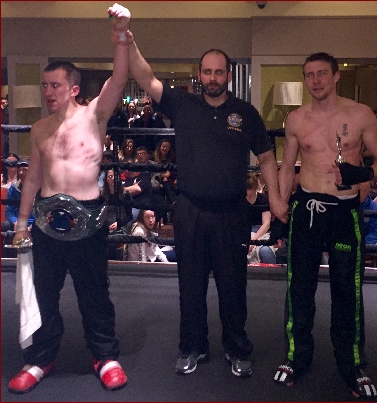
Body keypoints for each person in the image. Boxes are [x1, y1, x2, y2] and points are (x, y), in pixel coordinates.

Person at [121, 17, 288, 378]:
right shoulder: (182, 104)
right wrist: (127, 39)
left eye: (219, 72)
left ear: (229, 75)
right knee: (190, 286)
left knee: (234, 286)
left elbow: (267, 157)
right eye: (208, 72)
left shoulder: (245, 113)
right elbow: (146, 78)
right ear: (200, 74)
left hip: (231, 213)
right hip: (191, 210)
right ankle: (192, 347)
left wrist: (275, 199)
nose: (213, 78)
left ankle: (237, 348)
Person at [8, 3, 131, 394]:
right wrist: (22, 223)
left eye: (55, 86)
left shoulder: (94, 116)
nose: (48, 92)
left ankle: (105, 356)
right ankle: (40, 359)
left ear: (73, 88)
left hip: (89, 218)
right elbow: (32, 177)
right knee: (44, 293)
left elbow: (120, 77)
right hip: (46, 221)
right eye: (45, 86)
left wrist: (121, 36)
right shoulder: (40, 128)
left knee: (94, 293)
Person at [274, 52, 377, 398]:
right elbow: (288, 165)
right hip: (307, 210)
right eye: (309, 75)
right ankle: (296, 357)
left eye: (322, 73)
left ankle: (352, 364)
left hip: (344, 212)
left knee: (347, 290)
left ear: (336, 76)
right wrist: (279, 201)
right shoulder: (296, 119)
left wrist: (363, 174)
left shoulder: (360, 114)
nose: (316, 81)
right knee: (299, 288)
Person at [246, 172, 276, 264]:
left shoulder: (263, 199)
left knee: (266, 252)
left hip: (261, 233)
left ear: (255, 188)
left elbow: (266, 224)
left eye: (250, 193)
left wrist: (253, 240)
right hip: (244, 231)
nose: (248, 196)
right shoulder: (239, 201)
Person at [2, 159, 35, 232]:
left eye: (25, 170)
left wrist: (31, 226)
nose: (21, 173)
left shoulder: (41, 188)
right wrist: (15, 222)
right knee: (4, 226)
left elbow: (44, 213)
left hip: (35, 224)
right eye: (19, 170)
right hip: (18, 222)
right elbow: (9, 210)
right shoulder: (13, 188)